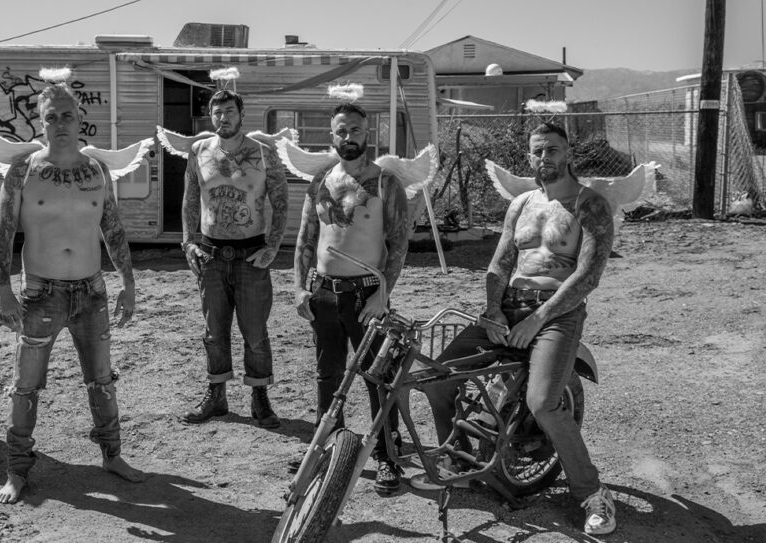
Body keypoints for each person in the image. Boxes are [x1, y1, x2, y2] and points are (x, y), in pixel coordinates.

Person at [414, 122, 617, 536]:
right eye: (538, 152)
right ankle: (461, 460)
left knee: (543, 402)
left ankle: (593, 493)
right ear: (529, 157)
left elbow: (587, 276)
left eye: (554, 150)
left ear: (568, 153)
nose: (546, 158)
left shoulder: (590, 204)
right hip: (507, 309)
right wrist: (492, 309)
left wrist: (537, 320)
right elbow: (500, 264)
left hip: (556, 314)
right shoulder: (521, 203)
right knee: (436, 377)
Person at [0, 80, 145, 504]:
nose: (59, 123)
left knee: (101, 380)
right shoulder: (23, 170)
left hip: (92, 290)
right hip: (41, 293)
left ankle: (112, 455)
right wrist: (2, 288)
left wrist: (128, 283)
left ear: (80, 121)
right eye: (51, 117)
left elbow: (112, 228)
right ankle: (17, 471)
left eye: (66, 116)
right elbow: (3, 232)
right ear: (41, 124)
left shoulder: (97, 171)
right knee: (26, 385)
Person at [292, 102, 411, 495]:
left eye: (355, 130)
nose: (348, 137)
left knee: (378, 376)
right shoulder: (322, 179)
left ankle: (386, 456)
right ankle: (327, 444)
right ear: (332, 135)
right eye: (341, 131)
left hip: (366, 297)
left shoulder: (384, 183)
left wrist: (383, 294)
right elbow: (307, 237)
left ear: (368, 134)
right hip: (324, 292)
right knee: (328, 374)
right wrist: (298, 286)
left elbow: (398, 244)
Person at [180, 89, 288, 428]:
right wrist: (189, 243)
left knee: (255, 331)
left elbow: (281, 202)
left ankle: (259, 397)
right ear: (210, 117)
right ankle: (217, 395)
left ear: (241, 114)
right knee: (214, 331)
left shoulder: (262, 152)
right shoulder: (198, 151)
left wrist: (272, 246)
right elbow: (190, 201)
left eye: (229, 111)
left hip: (251, 255)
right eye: (217, 112)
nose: (222, 117)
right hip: (211, 255)